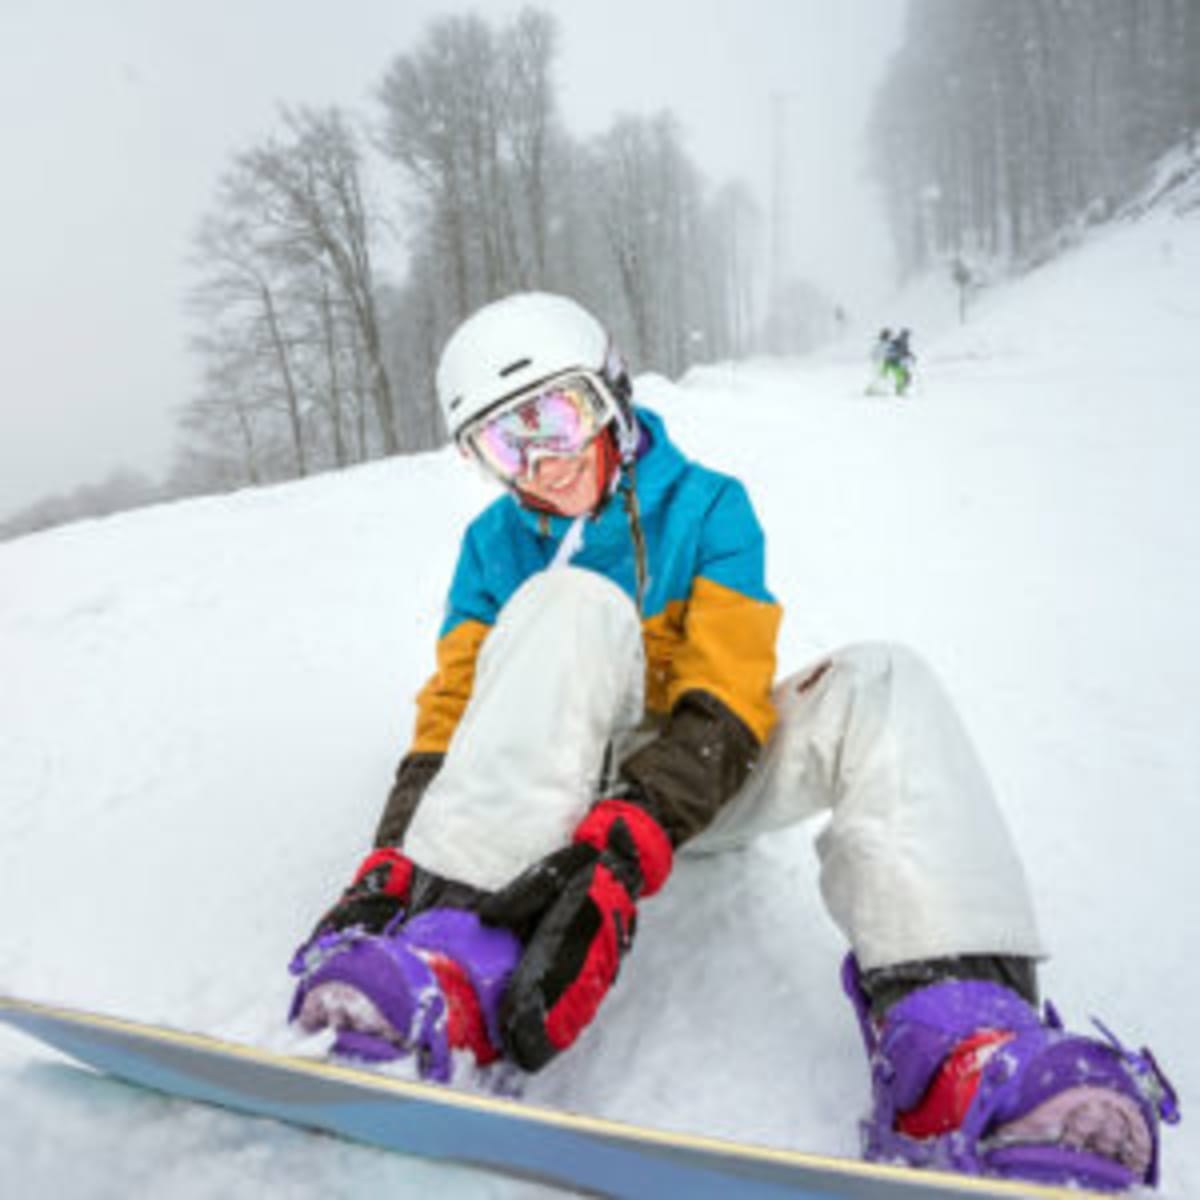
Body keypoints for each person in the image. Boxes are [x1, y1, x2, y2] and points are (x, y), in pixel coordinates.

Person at [288, 293, 1177, 1191]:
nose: (543, 461)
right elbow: (452, 715)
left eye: (556, 415)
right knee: (570, 602)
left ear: (612, 394)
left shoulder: (709, 508)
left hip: (694, 780)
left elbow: (726, 689)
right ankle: (454, 963)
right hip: (544, 791)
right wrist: (393, 861)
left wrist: (631, 838)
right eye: (502, 443)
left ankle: (958, 1044)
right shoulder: (492, 547)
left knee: (882, 678)